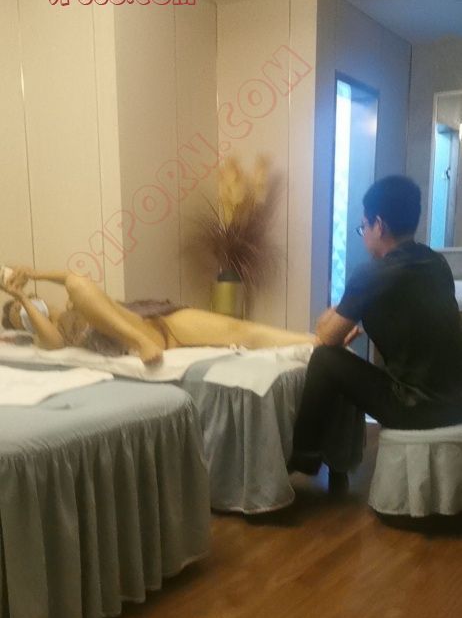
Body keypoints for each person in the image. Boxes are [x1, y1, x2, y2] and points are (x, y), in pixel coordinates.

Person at [291, 174, 462, 476]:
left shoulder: (373, 274)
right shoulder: (437, 264)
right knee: (346, 362)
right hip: (454, 402)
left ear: (379, 225)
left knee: (326, 360)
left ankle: (305, 455)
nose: (364, 234)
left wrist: (335, 318)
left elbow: (326, 337)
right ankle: (335, 460)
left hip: (413, 408)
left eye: (363, 227)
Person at [0, 267, 316, 364]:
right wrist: (21, 299)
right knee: (78, 286)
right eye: (18, 316)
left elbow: (74, 280)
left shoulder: (76, 301)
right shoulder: (51, 333)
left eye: (22, 306)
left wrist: (34, 274)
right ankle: (140, 343)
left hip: (157, 319)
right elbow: (53, 344)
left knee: (239, 329)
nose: (23, 311)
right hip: (142, 337)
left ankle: (317, 341)